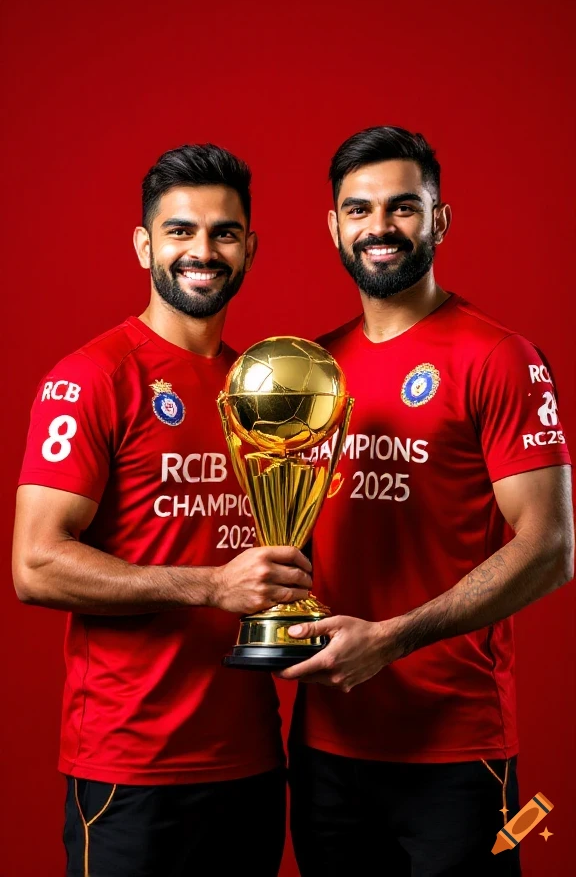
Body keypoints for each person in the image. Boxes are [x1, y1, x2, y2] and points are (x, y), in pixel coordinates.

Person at [13, 143, 313, 877]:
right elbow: (35, 564)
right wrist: (210, 586)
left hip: (249, 763)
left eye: (224, 232)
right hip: (131, 772)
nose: (202, 251)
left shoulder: (261, 393)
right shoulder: (91, 377)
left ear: (250, 248)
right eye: (180, 231)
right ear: (145, 244)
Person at [280, 126, 573, 876]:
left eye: (403, 208)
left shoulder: (500, 357)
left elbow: (549, 548)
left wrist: (394, 638)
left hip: (454, 751)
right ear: (334, 228)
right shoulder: (311, 369)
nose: (380, 228)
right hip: (327, 747)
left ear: (440, 220)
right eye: (359, 210)